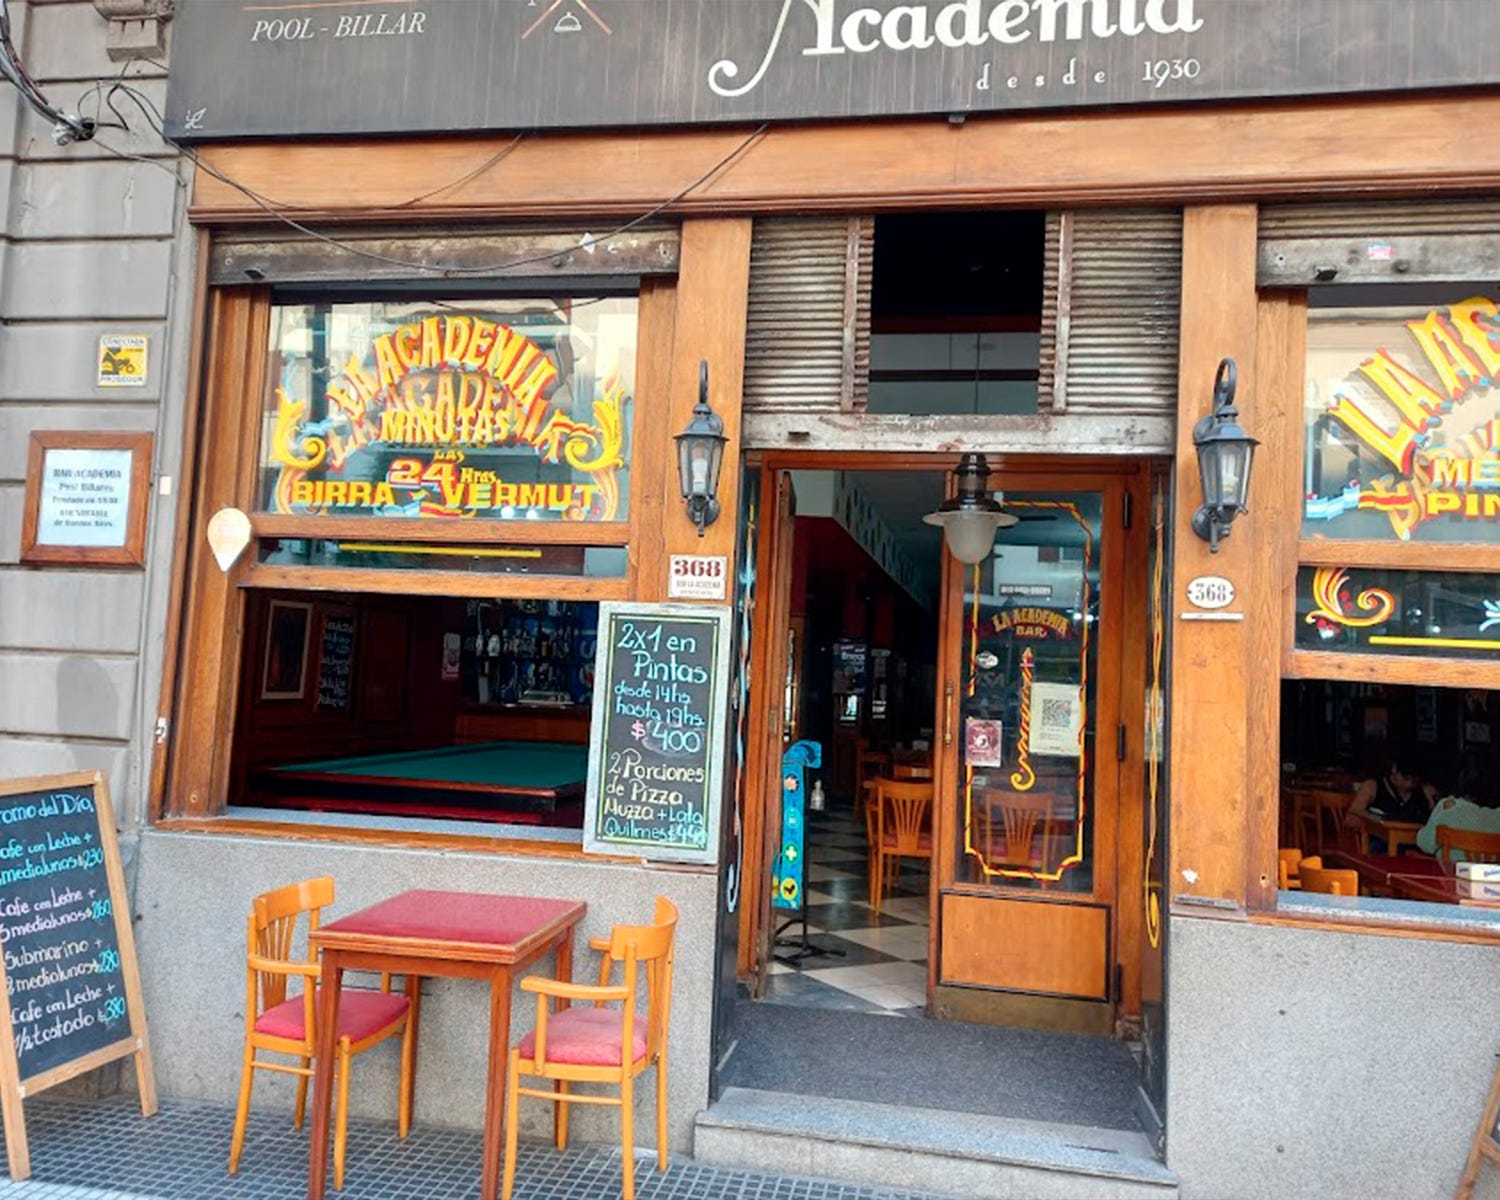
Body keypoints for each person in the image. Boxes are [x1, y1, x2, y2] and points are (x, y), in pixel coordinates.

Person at [1346, 758, 1437, 828]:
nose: (1409, 784)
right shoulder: (1372, 786)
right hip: (1378, 840)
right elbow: (1351, 817)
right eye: (1405, 778)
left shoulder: (1426, 791)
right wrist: (1377, 820)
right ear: (1394, 769)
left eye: (1415, 781)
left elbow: (1437, 819)